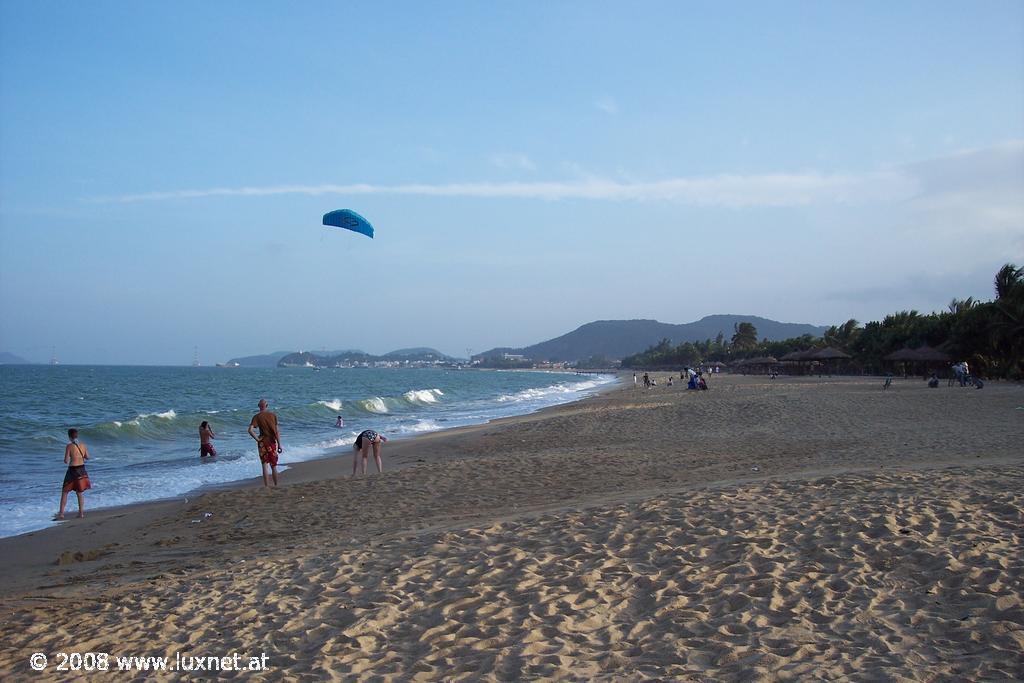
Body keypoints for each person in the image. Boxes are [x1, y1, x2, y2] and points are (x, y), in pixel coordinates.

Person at [248, 398, 282, 487]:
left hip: (262, 442)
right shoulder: (273, 415)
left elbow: (250, 430)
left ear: (259, 406)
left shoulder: (256, 417)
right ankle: (276, 485)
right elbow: (277, 431)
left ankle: (266, 486)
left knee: (264, 464)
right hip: (271, 442)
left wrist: (257, 439)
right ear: (267, 406)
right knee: (273, 465)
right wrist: (279, 445)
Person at [58, 428, 91, 519]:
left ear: (69, 436)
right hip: (81, 470)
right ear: (77, 435)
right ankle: (81, 513)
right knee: (79, 493)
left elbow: (66, 460)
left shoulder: (69, 446)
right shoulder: (83, 445)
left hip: (73, 470)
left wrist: (70, 458)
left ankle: (61, 513)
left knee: (65, 491)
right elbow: (88, 457)